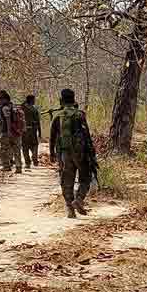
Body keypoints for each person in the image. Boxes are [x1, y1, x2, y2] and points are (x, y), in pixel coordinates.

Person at [49, 88, 97, 219]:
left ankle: (70, 209)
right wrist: (92, 154)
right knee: (86, 177)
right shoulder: (80, 115)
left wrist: (52, 153)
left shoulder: (57, 116)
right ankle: (79, 199)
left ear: (61, 100)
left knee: (66, 181)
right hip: (80, 153)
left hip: (64, 154)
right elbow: (86, 136)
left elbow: (52, 137)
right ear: (74, 99)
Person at [0, 90, 23, 173]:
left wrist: (9, 131)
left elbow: (8, 119)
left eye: (0, 99)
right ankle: (18, 167)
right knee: (16, 149)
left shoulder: (5, 108)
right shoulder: (13, 106)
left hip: (7, 132)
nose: (0, 101)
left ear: (4, 99)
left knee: (4, 149)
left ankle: (6, 166)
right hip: (16, 131)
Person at [21, 94, 42, 170]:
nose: (34, 101)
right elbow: (38, 122)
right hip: (32, 130)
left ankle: (27, 163)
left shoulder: (22, 108)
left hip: (24, 131)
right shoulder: (34, 109)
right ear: (31, 100)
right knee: (34, 145)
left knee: (25, 147)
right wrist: (40, 132)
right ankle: (34, 157)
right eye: (33, 100)